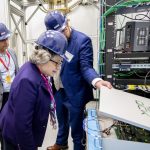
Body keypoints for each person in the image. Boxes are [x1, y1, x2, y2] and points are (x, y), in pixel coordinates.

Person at [44, 11, 112, 150]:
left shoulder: (82, 41)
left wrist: (97, 81)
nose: (62, 35)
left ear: (67, 23)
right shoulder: (53, 41)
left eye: (63, 31)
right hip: (58, 89)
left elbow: (86, 67)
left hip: (75, 93)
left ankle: (78, 147)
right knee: (62, 121)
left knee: (77, 130)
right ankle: (61, 143)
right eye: (58, 33)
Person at [0, 30, 70, 150]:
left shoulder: (37, 70)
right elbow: (22, 125)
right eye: (57, 63)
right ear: (44, 57)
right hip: (18, 139)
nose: (58, 67)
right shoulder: (28, 81)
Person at [0, 23, 19, 150]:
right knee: (3, 128)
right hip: (2, 98)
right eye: (2, 40)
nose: (6, 42)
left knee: (13, 126)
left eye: (7, 38)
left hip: (14, 95)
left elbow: (17, 72)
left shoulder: (11, 53)